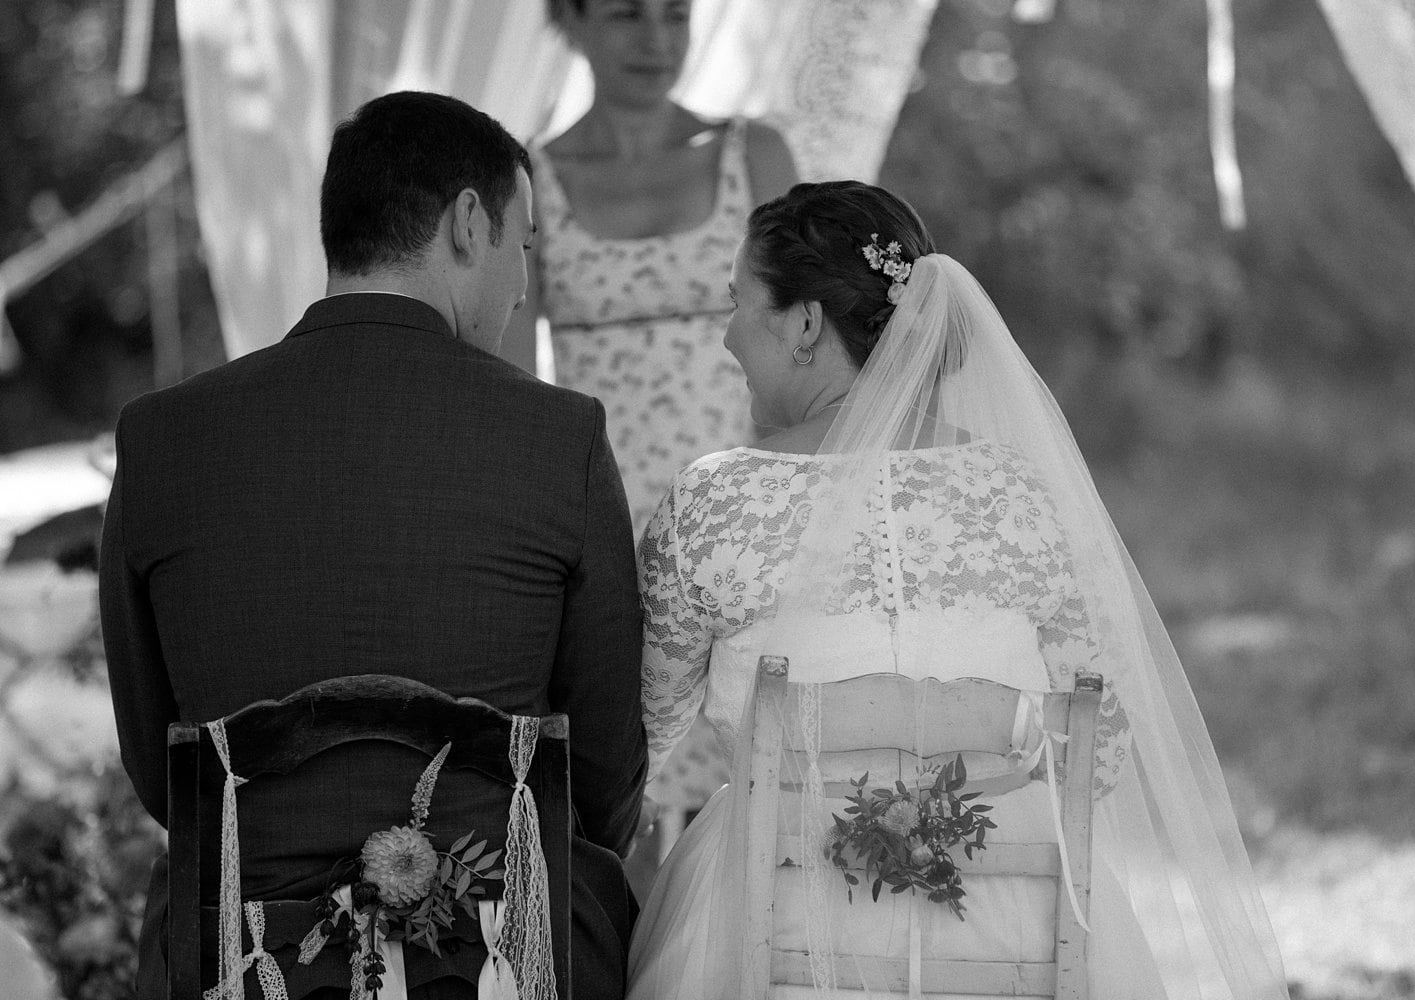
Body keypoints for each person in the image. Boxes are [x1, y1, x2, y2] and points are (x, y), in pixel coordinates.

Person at [627, 181, 1290, 998]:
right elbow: (1102, 738)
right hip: (1013, 912)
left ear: (803, 323)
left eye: (739, 303)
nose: (727, 335)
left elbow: (635, 743)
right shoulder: (1017, 490)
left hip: (777, 907)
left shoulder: (714, 501)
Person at [99, 91, 647, 1000]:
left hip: (239, 958)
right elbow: (602, 771)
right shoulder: (560, 438)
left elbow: (162, 769)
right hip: (504, 959)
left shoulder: (162, 439)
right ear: (468, 223)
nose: (522, 285)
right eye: (526, 243)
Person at [505, 0, 800, 536]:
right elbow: (513, 393)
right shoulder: (524, 183)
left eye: (676, 14)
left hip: (755, 509)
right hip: (598, 520)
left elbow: (809, 349)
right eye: (627, 14)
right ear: (569, 21)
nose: (657, 40)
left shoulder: (757, 154)